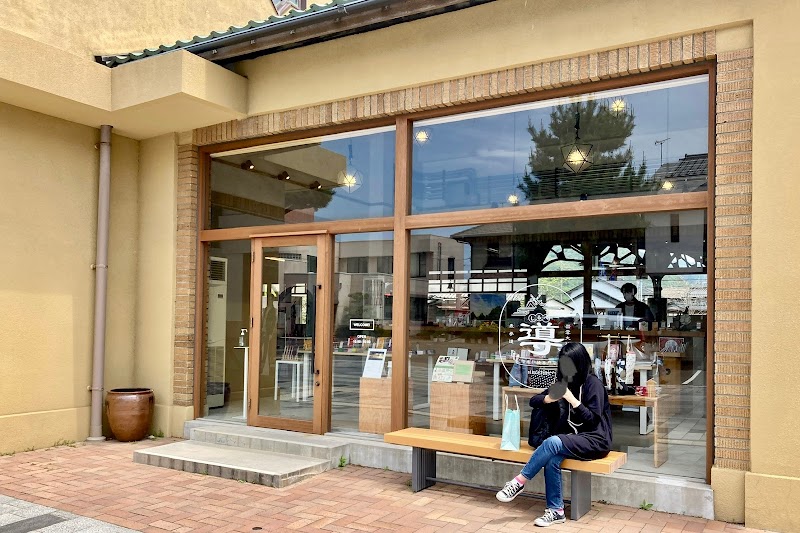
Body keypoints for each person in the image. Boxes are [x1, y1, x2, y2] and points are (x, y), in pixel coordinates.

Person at [496, 343, 612, 527]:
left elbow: (592, 420)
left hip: (595, 440)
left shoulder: (593, 384)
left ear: (580, 363)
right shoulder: (563, 383)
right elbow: (534, 401)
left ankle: (519, 482)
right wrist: (548, 398)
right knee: (551, 460)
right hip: (571, 439)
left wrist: (572, 400)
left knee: (552, 442)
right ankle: (556, 511)